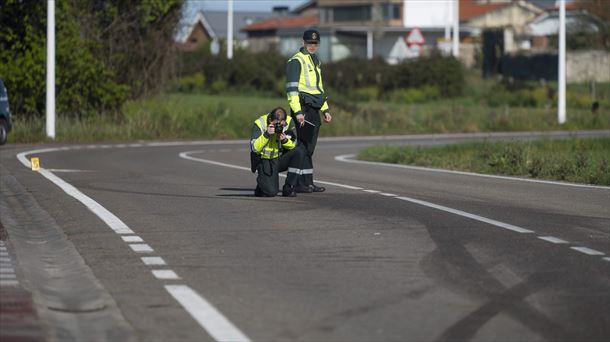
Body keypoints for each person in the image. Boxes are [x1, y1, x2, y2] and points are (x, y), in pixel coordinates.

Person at [285, 29, 332, 193]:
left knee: (309, 148)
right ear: (302, 42)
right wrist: (297, 112)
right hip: (303, 109)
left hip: (314, 109)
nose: (312, 46)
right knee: (302, 147)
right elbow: (291, 90)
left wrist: (325, 109)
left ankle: (308, 182)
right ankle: (297, 183)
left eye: (315, 43)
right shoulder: (296, 61)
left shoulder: (315, 60)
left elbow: (319, 88)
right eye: (309, 43)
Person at [250, 107, 304, 197]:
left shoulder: (289, 121)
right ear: (270, 120)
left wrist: (284, 141)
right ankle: (261, 186)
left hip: (278, 158)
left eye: (282, 125)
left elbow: (294, 144)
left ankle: (289, 187)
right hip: (264, 160)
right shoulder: (260, 123)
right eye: (276, 125)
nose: (279, 127)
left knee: (299, 152)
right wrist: (266, 135)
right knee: (271, 192)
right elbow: (254, 148)